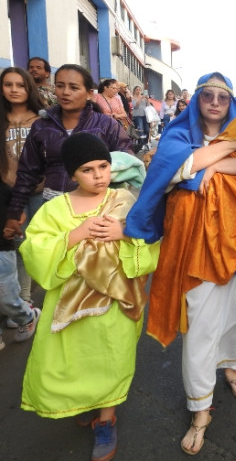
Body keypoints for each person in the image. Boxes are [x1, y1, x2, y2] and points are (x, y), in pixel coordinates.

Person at [124, 71, 236, 455]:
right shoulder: (179, 136)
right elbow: (176, 169)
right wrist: (233, 148)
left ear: (231, 103)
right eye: (207, 96)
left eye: (221, 97)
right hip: (194, 245)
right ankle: (200, 409)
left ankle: (231, 366)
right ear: (196, 101)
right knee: (200, 323)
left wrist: (214, 165)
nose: (213, 102)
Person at [19, 132, 158, 461]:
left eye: (103, 166)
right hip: (68, 304)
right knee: (74, 359)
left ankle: (106, 419)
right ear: (71, 174)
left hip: (115, 303)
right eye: (87, 170)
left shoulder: (124, 200)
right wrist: (75, 234)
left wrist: (124, 232)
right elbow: (34, 248)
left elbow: (150, 239)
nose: (98, 176)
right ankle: (86, 400)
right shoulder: (55, 209)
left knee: (112, 358)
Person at [3, 64, 132, 239]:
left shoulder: (105, 124)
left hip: (98, 208)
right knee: (56, 256)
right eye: (60, 85)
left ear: (89, 93)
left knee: (92, 260)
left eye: (74, 87)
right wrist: (15, 211)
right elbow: (27, 171)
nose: (65, 92)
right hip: (54, 206)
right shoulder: (42, 126)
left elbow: (127, 161)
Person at [0, 67, 46, 307]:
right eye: (8, 84)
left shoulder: (43, 118)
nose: (14, 90)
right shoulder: (1, 119)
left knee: (31, 246)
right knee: (13, 245)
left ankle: (25, 299)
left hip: (38, 192)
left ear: (29, 88)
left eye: (20, 85)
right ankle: (15, 301)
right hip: (7, 193)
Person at [0, 177, 41, 351]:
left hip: (2, 249)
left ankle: (26, 317)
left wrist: (14, 223)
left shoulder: (3, 189)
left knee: (5, 296)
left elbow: (20, 213)